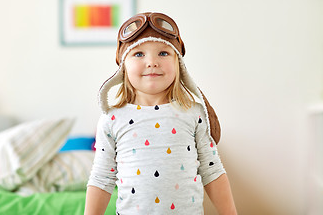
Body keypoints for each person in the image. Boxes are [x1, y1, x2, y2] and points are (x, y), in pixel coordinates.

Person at [84, 12, 237, 215]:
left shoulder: (194, 113)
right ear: (123, 65)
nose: (152, 62)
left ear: (178, 63)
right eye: (139, 54)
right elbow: (101, 178)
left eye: (163, 53)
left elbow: (212, 171)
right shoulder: (111, 119)